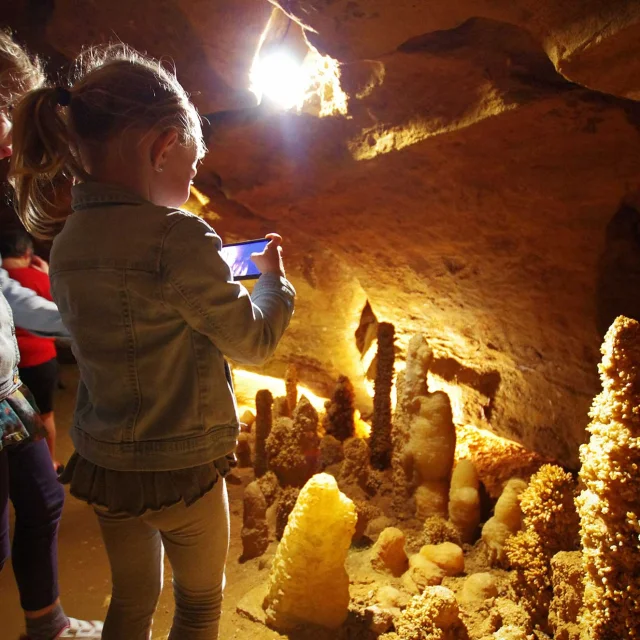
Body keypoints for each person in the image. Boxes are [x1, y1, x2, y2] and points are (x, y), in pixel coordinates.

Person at [10, 43, 295, 640]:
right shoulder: (179, 237)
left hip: (107, 466)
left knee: (133, 602)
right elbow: (251, 342)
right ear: (164, 146)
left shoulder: (67, 241)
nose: (192, 180)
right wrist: (274, 286)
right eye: (190, 166)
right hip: (181, 466)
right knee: (197, 603)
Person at [0, 30, 103, 639]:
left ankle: (48, 626)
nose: (16, 146)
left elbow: (4, 295)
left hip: (6, 387)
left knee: (43, 502)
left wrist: (77, 320)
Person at [0, 228, 61, 471]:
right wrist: (48, 274)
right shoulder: (39, 278)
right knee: (45, 415)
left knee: (15, 419)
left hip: (10, 368)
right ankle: (50, 463)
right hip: (41, 361)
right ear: (28, 253)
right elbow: (61, 308)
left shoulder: (6, 280)